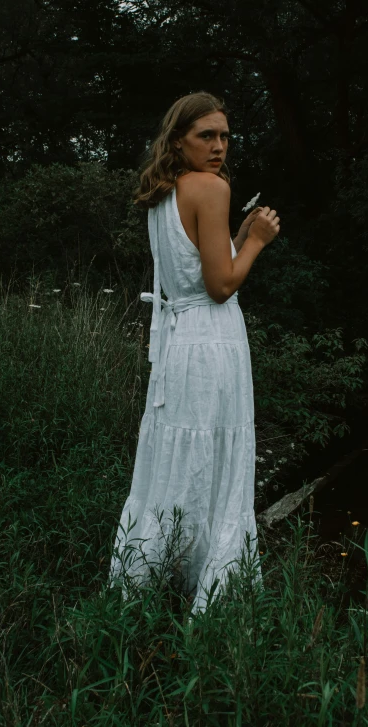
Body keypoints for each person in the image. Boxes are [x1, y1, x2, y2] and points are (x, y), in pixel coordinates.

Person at [109, 91, 281, 615]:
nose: (218, 146)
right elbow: (222, 284)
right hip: (212, 340)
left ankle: (150, 578)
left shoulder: (164, 192)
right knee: (215, 457)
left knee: (176, 456)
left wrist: (237, 234)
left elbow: (192, 268)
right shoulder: (211, 187)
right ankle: (211, 590)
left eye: (225, 136)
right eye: (206, 135)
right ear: (178, 138)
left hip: (180, 342)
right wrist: (256, 242)